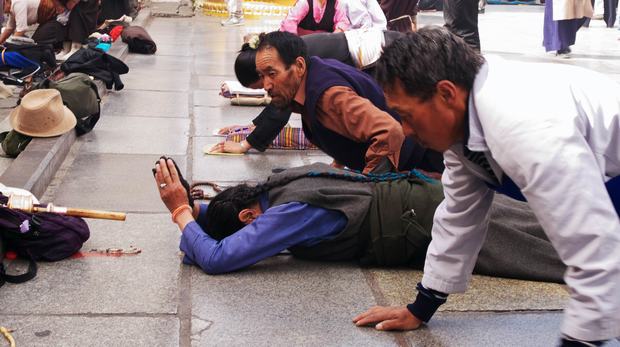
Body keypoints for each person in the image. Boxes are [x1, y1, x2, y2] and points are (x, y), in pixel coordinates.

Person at [354, 27, 620, 347]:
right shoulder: (463, 128)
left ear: (447, 93)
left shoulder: (521, 121)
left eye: (407, 116)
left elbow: (593, 243)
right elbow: (458, 216)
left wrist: (580, 339)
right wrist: (420, 308)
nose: (405, 130)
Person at [154, 159, 566, 283]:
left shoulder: (287, 212)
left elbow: (217, 259)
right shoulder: (276, 184)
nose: (260, 239)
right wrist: (195, 212)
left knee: (549, 254)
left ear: (249, 215)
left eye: (250, 227)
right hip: (427, 200)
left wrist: (180, 213)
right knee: (548, 225)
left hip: (426, 223)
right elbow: (197, 247)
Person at [213, 31, 444, 174]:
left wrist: (369, 186)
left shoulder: (328, 96)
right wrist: (339, 165)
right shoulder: (310, 78)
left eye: (272, 74)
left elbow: (389, 131)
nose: (266, 85)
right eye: (262, 76)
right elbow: (346, 128)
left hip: (423, 166)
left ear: (299, 66)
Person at [280, 0, 350, 36]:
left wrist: (332, 37)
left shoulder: (336, 2)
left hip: (325, 43)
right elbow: (289, 22)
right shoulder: (305, 2)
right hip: (301, 41)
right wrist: (295, 43)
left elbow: (343, 22)